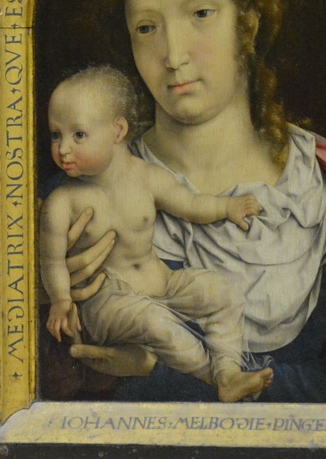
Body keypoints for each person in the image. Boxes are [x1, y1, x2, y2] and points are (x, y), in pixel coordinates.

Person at [54, 0, 326, 404]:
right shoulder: (86, 190)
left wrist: (161, 373)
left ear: (248, 24)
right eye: (147, 28)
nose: (173, 54)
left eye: (200, 14)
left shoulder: (323, 179)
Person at [40, 66, 272, 402]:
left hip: (162, 285)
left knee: (222, 292)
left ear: (118, 130)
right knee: (157, 323)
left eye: (78, 135)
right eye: (55, 135)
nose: (63, 149)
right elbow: (51, 261)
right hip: (107, 305)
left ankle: (228, 371)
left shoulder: (147, 177)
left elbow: (190, 204)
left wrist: (227, 207)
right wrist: (61, 300)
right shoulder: (62, 201)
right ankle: (214, 379)